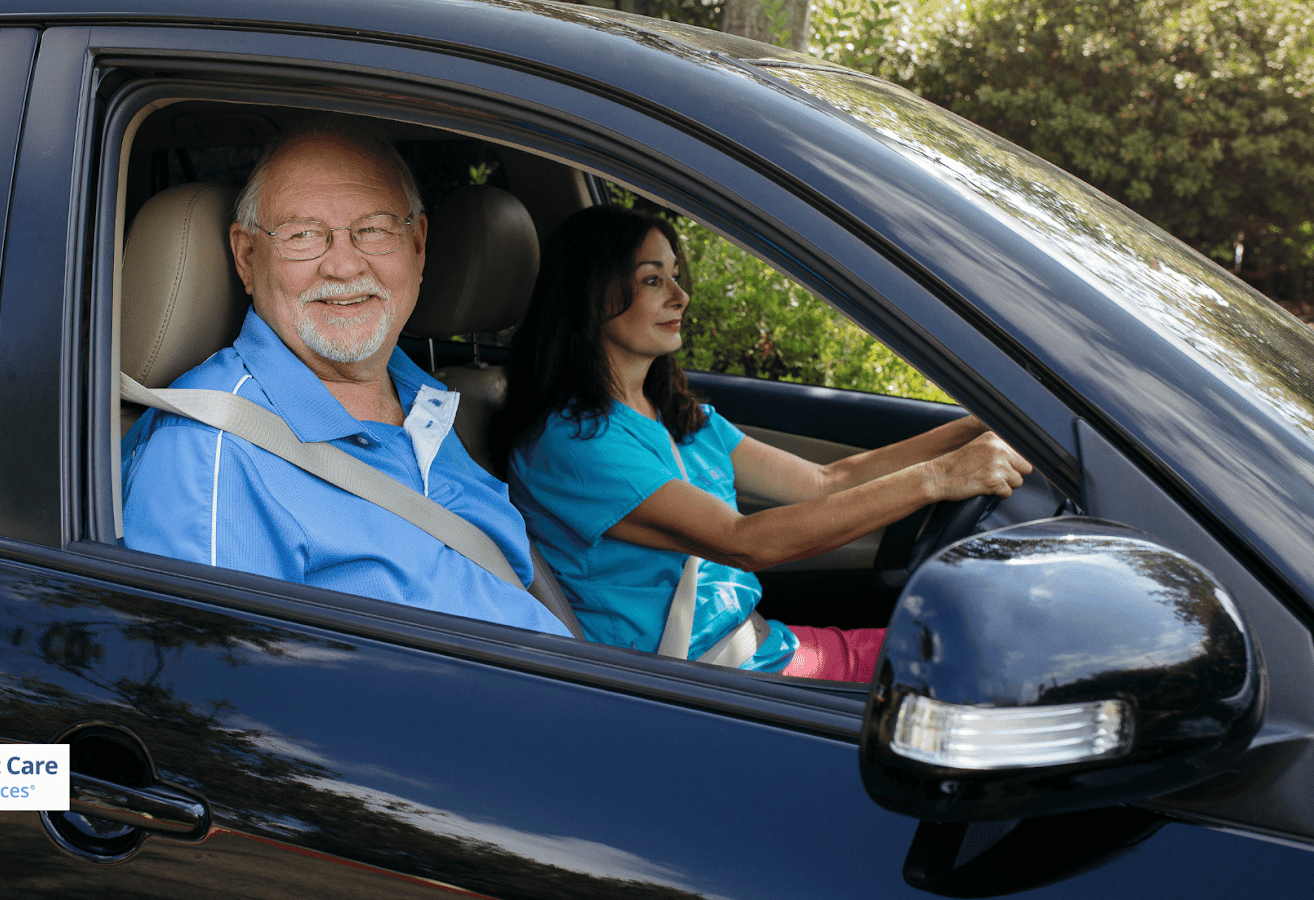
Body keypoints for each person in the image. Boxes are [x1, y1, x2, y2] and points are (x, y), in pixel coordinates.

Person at [496, 205, 1032, 679]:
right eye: (652, 280)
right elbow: (744, 540)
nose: (680, 297)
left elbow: (827, 481)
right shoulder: (572, 444)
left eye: (676, 277)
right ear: (592, 295)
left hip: (759, 647)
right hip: (692, 681)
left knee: (981, 646)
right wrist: (938, 479)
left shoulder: (682, 416)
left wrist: (971, 428)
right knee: (970, 665)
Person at [121, 118, 568, 637]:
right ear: (247, 258)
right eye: (303, 234)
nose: (343, 265)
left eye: (374, 229)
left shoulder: (426, 403)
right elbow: (220, 699)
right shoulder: (213, 455)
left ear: (418, 246)